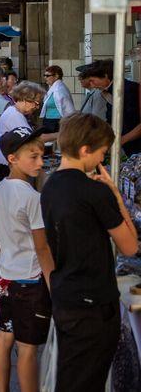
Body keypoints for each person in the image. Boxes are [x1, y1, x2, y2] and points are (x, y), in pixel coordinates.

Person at [41, 113, 139, 392]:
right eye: (102, 153)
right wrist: (116, 196)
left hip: (65, 294)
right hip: (94, 302)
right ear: (85, 149)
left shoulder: (50, 186)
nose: (102, 160)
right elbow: (130, 246)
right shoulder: (95, 191)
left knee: (71, 376)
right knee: (87, 380)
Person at [0, 127, 54, 392]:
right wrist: (54, 285)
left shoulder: (2, 188)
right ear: (12, 158)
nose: (40, 162)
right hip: (30, 282)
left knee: (5, 337)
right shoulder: (32, 198)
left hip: (6, 278)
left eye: (42, 155)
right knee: (28, 348)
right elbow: (43, 248)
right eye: (33, 156)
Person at [0, 81, 54, 193]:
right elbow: (32, 140)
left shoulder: (16, 112)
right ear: (25, 100)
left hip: (1, 161)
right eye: (36, 103)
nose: (37, 107)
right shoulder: (14, 115)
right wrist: (59, 135)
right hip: (1, 163)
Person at [80, 59, 141, 155]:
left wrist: (121, 140)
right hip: (126, 147)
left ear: (105, 76)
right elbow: (110, 119)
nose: (91, 85)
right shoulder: (106, 92)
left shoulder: (130, 89)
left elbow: (135, 122)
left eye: (92, 81)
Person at [40, 65, 74, 134]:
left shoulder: (60, 89)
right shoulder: (53, 88)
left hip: (56, 122)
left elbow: (68, 107)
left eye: (47, 76)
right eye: (44, 75)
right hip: (49, 121)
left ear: (56, 76)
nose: (45, 78)